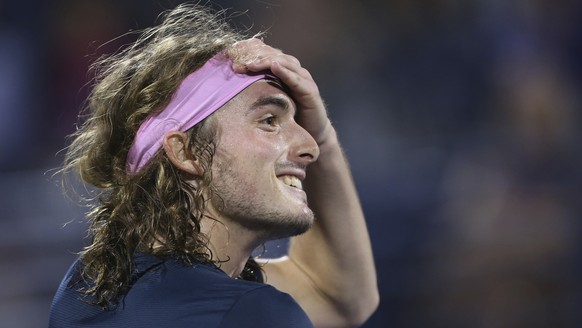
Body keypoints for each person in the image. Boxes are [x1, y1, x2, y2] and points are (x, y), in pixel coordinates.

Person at [49, 3, 378, 327]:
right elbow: (336, 301)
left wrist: (322, 134)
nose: (310, 149)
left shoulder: (83, 289)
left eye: (303, 127)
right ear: (186, 151)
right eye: (269, 120)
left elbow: (336, 296)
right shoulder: (252, 312)